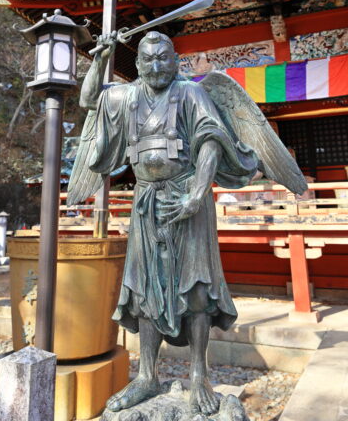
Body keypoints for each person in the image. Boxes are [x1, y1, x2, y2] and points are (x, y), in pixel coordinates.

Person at [79, 31, 259, 415]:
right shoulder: (127, 96)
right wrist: (100, 59)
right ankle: (146, 375)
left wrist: (197, 192)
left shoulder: (190, 93)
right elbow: (89, 99)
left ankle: (199, 375)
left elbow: (211, 140)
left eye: (164, 57)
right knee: (143, 289)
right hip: (147, 201)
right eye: (149, 59)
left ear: (175, 60)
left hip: (187, 196)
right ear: (138, 64)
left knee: (196, 287)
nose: (157, 66)